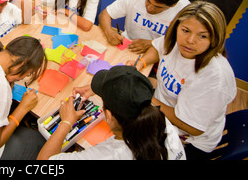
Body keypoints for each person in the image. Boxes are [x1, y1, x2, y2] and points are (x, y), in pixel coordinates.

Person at [130, 1, 237, 160]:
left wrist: (146, 99)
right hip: (161, 112)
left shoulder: (214, 78)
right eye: (185, 30)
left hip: (186, 141)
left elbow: (192, 128)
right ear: (177, 26)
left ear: (215, 38)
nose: (190, 40)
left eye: (202, 36)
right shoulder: (175, 41)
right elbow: (158, 47)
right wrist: (141, 63)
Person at [38, 65, 186, 160]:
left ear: (108, 116)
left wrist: (66, 122)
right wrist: (99, 89)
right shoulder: (158, 119)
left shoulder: (110, 155)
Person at [99, 0, 190, 54]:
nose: (149, 8)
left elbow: (185, 43)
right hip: (128, 45)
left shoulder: (185, 12)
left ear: (173, 5)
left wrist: (152, 44)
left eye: (157, 7)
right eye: (148, 0)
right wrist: (109, 33)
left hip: (160, 53)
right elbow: (105, 14)